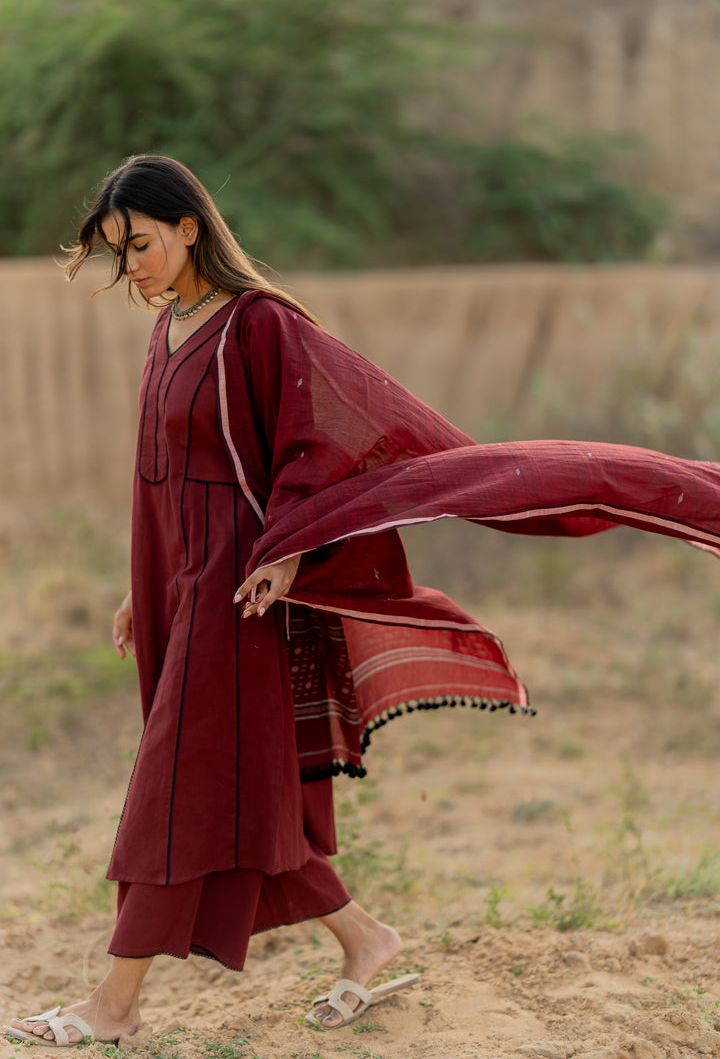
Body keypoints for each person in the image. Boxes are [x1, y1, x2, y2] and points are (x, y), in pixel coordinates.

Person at [7, 155, 720, 1047]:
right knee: (235, 788)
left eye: (142, 244)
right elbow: (170, 476)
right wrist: (135, 582)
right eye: (119, 253)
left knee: (175, 787)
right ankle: (366, 940)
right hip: (172, 579)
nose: (134, 267)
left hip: (238, 590)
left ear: (190, 227)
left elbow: (314, 448)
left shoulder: (259, 324)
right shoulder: (168, 328)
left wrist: (295, 555)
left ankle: (113, 1007)